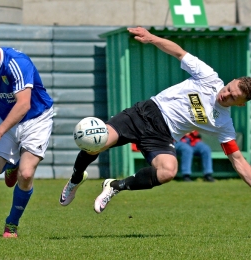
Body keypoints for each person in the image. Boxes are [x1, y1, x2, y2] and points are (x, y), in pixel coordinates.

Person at [59, 26, 251, 214]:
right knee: (96, 140)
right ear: (231, 81)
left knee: (168, 171)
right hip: (145, 114)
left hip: (163, 136)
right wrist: (151, 38)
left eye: (233, 97)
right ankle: (76, 179)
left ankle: (115, 186)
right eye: (229, 89)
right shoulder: (209, 77)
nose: (226, 95)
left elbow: (238, 161)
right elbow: (179, 52)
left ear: (241, 104)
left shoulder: (223, 124)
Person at [0, 34, 54, 237]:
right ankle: (11, 163)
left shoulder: (16, 62)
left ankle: (12, 223)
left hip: (36, 120)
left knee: (26, 174)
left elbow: (24, 104)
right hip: (7, 118)